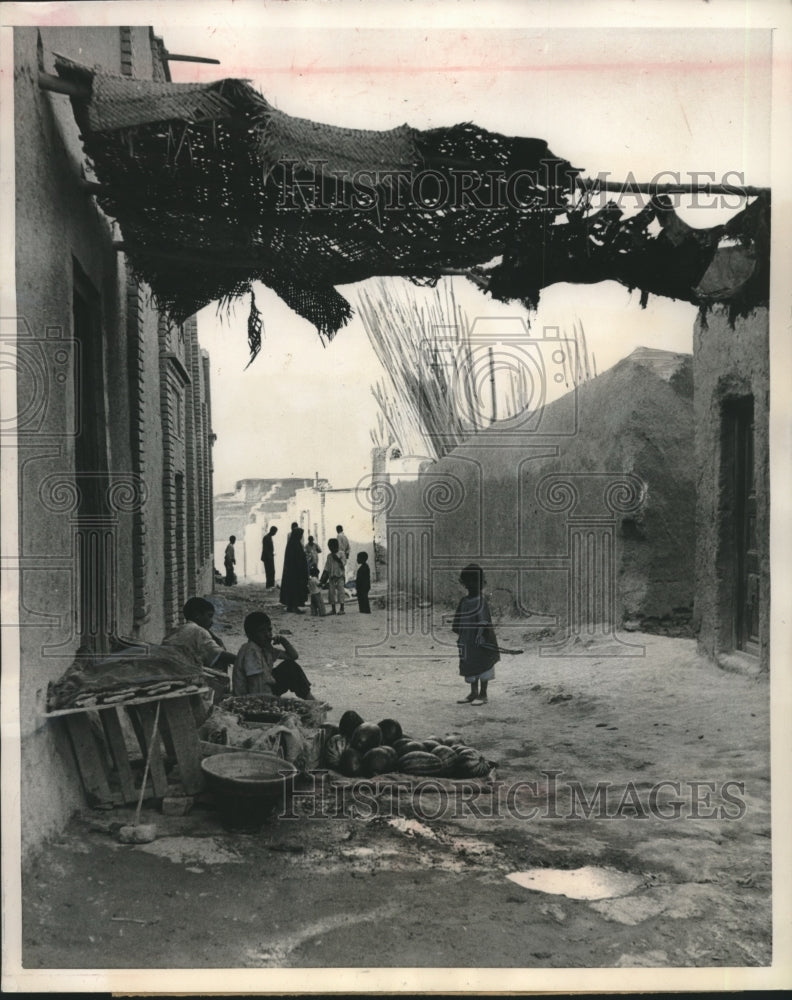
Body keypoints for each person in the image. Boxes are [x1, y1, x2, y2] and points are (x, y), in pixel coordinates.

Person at [161, 597, 237, 707]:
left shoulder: (180, 629)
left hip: (167, 672)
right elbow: (219, 654)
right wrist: (242, 659)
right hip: (181, 676)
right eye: (209, 616)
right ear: (197, 615)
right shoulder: (197, 631)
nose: (212, 622)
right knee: (220, 679)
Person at [232, 612, 316, 699]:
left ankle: (309, 697)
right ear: (250, 635)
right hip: (249, 695)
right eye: (262, 631)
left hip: (263, 686)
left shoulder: (265, 648)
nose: (268, 634)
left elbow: (293, 656)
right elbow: (256, 684)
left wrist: (284, 641)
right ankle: (310, 699)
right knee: (289, 668)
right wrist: (269, 702)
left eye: (269, 630)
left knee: (290, 666)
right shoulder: (251, 651)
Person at [451, 563, 500, 706]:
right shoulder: (464, 601)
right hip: (468, 640)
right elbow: (458, 621)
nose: (471, 585)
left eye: (474, 582)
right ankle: (473, 692)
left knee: (483, 663)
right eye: (468, 582)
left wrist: (480, 636)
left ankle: (483, 694)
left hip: (482, 639)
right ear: (465, 583)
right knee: (471, 664)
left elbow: (484, 622)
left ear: (480, 583)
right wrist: (462, 636)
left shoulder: (481, 601)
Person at [279, 525, 309, 613]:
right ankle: (294, 606)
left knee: (291, 588)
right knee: (295, 589)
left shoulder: (292, 544)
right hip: (296, 572)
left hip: (292, 572)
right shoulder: (295, 545)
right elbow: (297, 559)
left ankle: (290, 606)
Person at [321, 537, 347, 615]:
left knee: (341, 592)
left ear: (336, 546)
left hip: (340, 576)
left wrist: (337, 559)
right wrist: (322, 579)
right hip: (331, 577)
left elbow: (343, 564)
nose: (331, 549)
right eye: (329, 547)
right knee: (331, 593)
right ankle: (333, 609)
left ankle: (342, 608)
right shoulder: (329, 556)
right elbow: (326, 568)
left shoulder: (341, 553)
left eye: (332, 547)